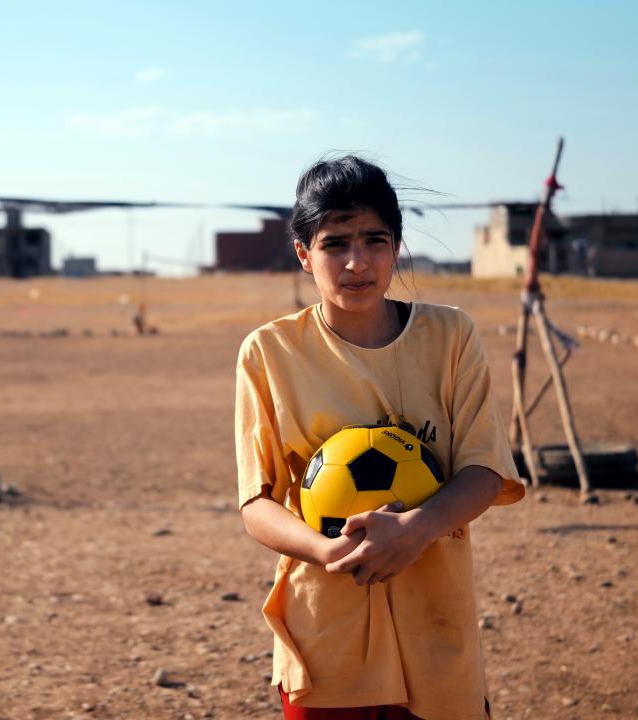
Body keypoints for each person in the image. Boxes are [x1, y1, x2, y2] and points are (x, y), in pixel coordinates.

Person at [235, 156, 524, 720]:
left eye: (374, 240)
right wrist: (324, 550)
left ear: (395, 246)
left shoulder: (450, 336)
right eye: (335, 244)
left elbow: (486, 469)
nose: (356, 262)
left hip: (436, 630)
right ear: (303, 254)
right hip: (328, 634)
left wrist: (415, 530)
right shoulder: (269, 353)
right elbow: (256, 502)